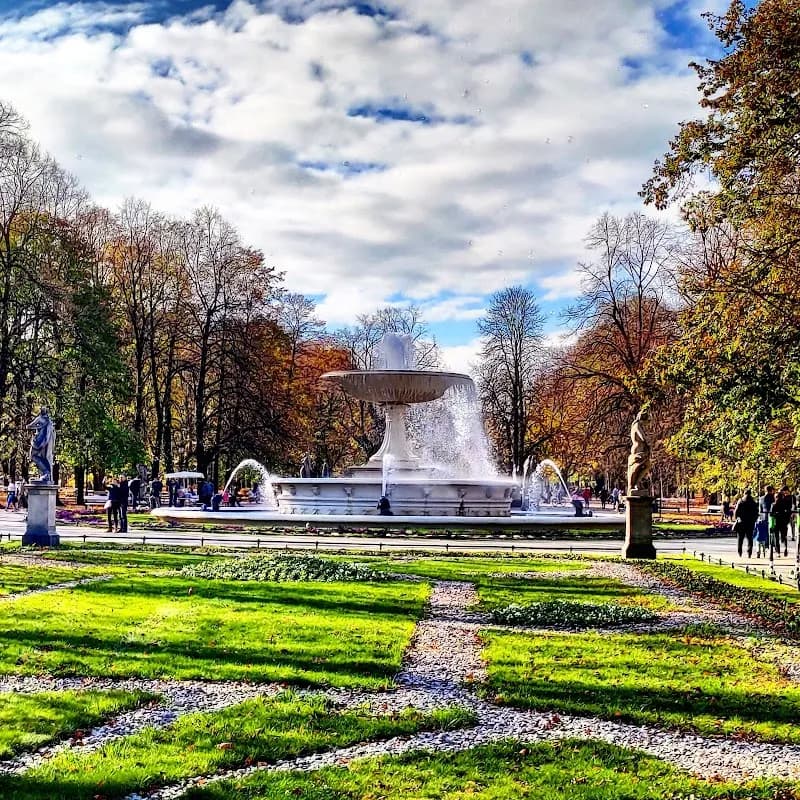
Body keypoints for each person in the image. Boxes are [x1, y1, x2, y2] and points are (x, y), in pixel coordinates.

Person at [733, 489, 759, 558]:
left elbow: (736, 512)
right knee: (750, 539)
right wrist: (754, 520)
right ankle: (749, 552)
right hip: (750, 523)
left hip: (741, 522)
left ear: (744, 493)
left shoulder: (741, 501)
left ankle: (740, 552)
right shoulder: (753, 502)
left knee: (740, 538)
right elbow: (756, 513)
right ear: (750, 494)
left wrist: (737, 519)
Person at [771, 485, 793, 557]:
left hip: (776, 522)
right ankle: (785, 548)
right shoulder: (785, 503)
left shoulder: (774, 504)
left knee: (776, 537)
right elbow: (788, 511)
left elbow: (771, 514)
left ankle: (778, 552)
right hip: (783, 522)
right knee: (784, 536)